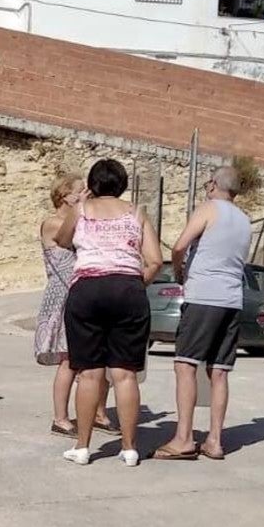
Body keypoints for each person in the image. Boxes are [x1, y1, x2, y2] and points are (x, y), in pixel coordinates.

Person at [55, 158, 163, 466]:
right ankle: (129, 448)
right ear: (123, 184)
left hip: (87, 289)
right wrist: (132, 281)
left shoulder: (81, 210)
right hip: (127, 288)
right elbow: (154, 261)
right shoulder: (137, 213)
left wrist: (83, 206)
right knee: (124, 373)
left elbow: (62, 240)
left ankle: (82, 446)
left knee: (89, 372)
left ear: (92, 184)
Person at [154, 166, 251, 461]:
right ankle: (215, 440)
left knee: (185, 365)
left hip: (204, 295)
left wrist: (180, 270)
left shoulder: (208, 209)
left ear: (212, 185)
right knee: (219, 371)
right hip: (232, 299)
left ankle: (183, 438)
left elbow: (181, 245)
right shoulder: (245, 220)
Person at [36, 173, 115, 437]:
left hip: (85, 291)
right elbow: (65, 239)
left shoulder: (81, 219)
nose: (86, 194)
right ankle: (60, 417)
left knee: (99, 356)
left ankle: (98, 412)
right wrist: (83, 208)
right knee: (69, 358)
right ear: (64, 196)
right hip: (64, 295)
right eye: (80, 191)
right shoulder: (52, 223)